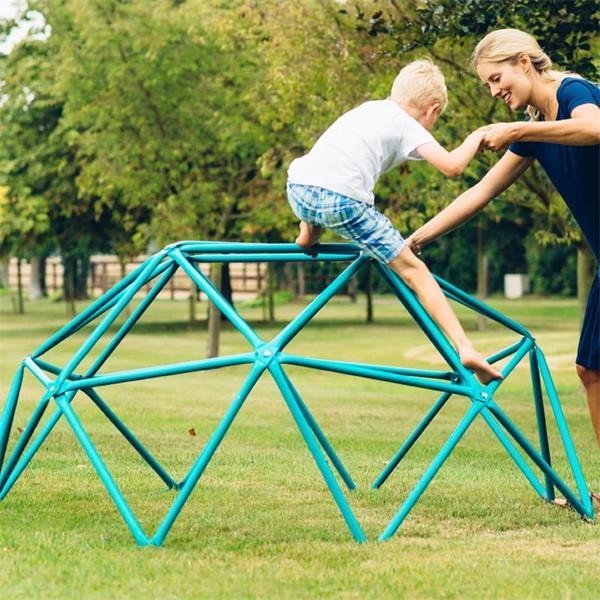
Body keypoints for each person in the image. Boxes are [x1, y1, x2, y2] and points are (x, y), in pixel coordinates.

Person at [406, 29, 600, 451]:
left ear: (524, 62)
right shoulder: (534, 132)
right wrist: (413, 241)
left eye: (497, 78)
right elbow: (479, 192)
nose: (493, 90)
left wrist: (514, 130)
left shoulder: (574, 92)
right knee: (591, 370)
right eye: (487, 84)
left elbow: (594, 128)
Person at [286, 59, 501, 384]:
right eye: (436, 118)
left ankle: (307, 234)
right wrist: (479, 135)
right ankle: (465, 346)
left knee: (322, 196)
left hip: (299, 188)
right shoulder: (408, 124)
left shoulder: (368, 110)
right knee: (415, 270)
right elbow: (452, 166)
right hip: (344, 201)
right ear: (432, 109)